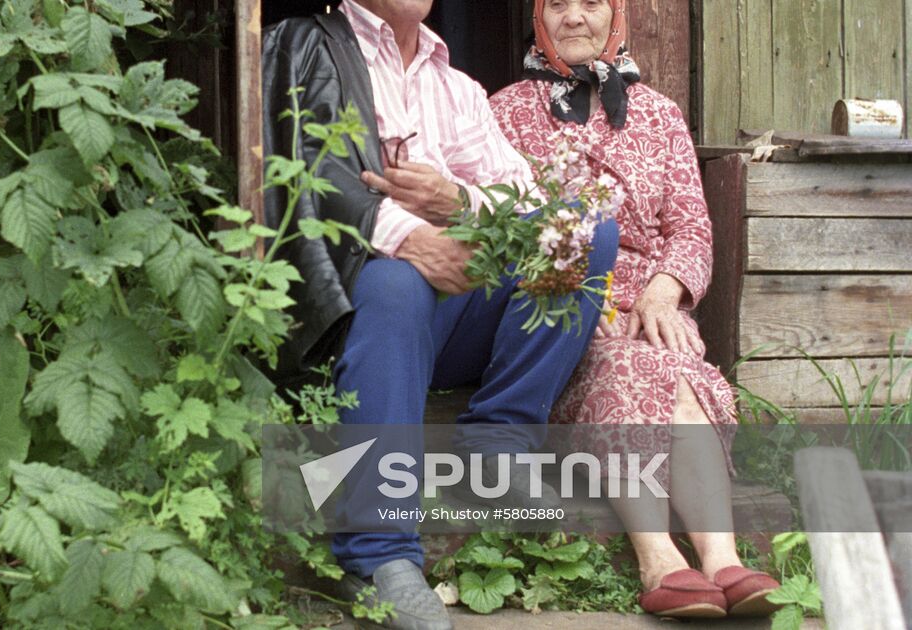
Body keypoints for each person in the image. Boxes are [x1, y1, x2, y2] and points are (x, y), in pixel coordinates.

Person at [263, 1, 617, 628]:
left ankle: (498, 439)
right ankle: (378, 555)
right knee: (397, 281)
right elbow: (306, 179)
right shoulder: (312, 47)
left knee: (581, 232)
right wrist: (410, 238)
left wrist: (456, 202)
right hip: (356, 317)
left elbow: (527, 203)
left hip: (452, 317)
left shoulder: (455, 85)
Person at [488, 0, 781, 619]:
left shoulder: (661, 114)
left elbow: (691, 229)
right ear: (538, 19)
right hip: (561, 310)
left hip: (650, 305)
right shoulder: (504, 111)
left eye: (591, 2)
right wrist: (570, 282)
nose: (574, 18)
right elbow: (495, 228)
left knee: (673, 369)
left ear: (615, 17)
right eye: (557, 4)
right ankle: (658, 560)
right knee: (622, 369)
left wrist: (665, 288)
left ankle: (721, 560)